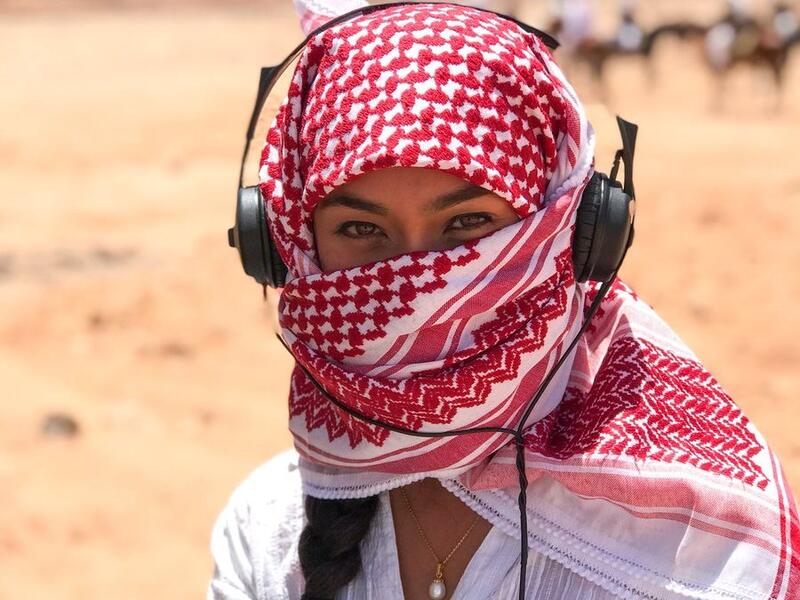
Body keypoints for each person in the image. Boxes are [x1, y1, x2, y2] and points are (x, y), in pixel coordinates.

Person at [208, 3, 800, 599]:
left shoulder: (700, 546)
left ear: (574, 231)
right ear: (288, 251)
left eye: (469, 222)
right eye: (362, 230)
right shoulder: (264, 533)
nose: (423, 285)